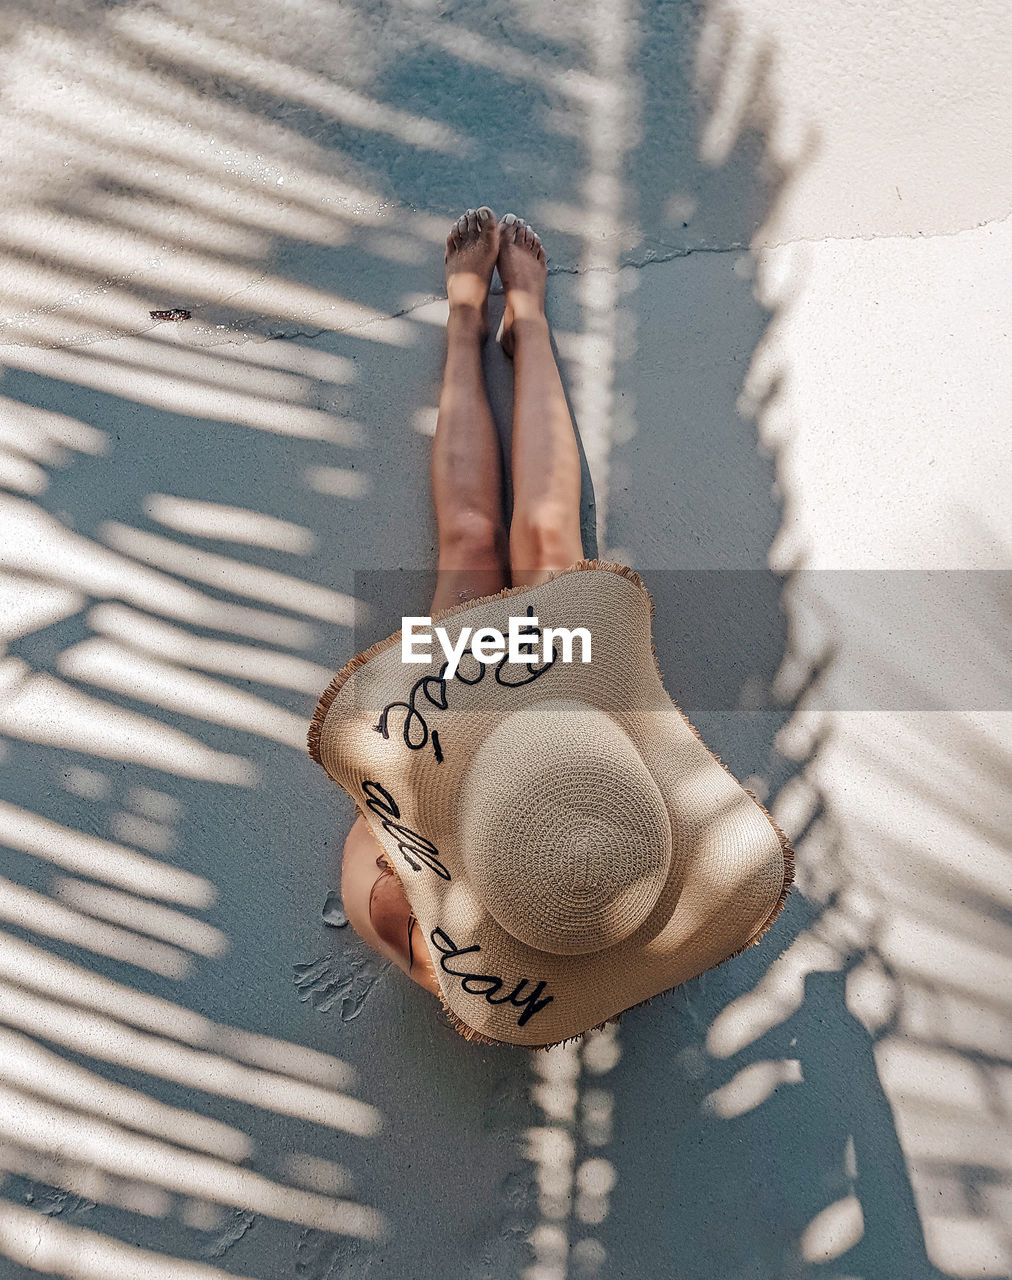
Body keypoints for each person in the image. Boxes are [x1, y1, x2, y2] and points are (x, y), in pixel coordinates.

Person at [338, 208, 583, 998]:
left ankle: (465, 324)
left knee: (472, 546)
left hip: (435, 766)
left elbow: (386, 857)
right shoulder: (602, 892)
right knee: (548, 543)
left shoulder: (426, 929)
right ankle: (530, 327)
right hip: (574, 760)